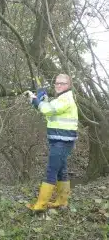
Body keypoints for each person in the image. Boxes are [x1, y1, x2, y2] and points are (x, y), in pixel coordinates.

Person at [25, 74, 78, 211]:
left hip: (62, 141)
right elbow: (49, 110)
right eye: (57, 83)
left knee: (51, 171)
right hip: (59, 140)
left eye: (63, 83)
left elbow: (46, 109)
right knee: (61, 171)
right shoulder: (60, 99)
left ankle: (40, 205)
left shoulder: (65, 99)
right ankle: (62, 202)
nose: (59, 85)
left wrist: (38, 101)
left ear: (69, 85)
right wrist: (38, 100)